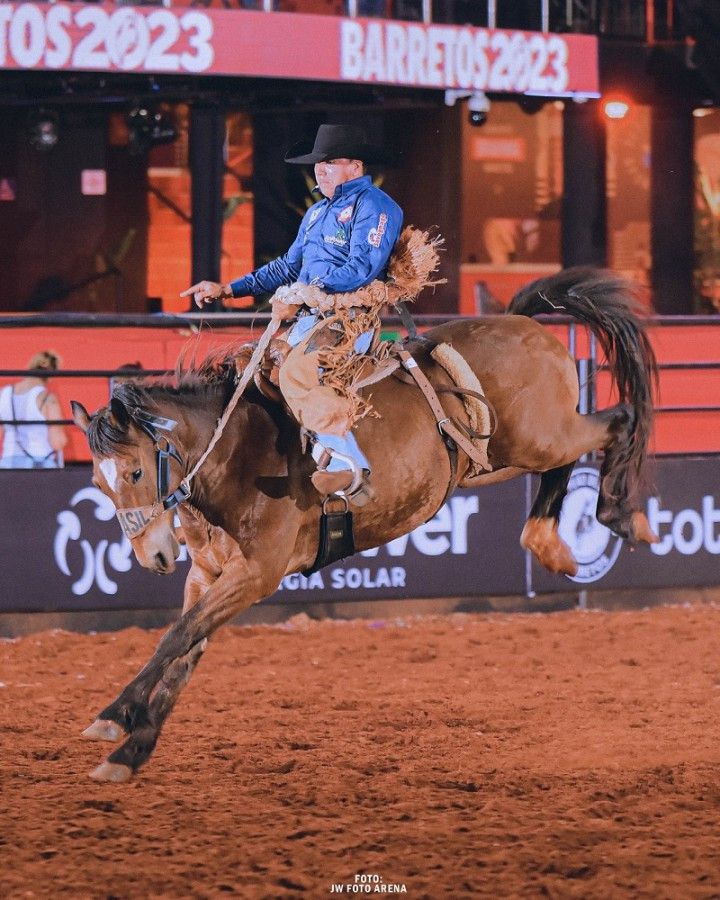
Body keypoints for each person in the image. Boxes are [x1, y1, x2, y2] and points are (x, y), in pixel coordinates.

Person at [182, 123, 403, 497]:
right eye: (319, 162)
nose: (321, 169)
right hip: (308, 319)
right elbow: (287, 266)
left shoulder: (377, 207)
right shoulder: (317, 213)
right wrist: (227, 289)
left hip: (348, 319)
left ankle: (349, 465)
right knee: (249, 367)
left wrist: (305, 293)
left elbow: (360, 268)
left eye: (331, 161)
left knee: (299, 371)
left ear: (356, 166)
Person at [0, 350, 67, 469]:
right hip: (39, 463)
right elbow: (57, 442)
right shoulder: (47, 398)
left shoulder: (3, 394)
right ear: (52, 374)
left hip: (7, 463)